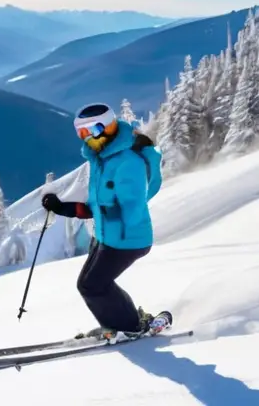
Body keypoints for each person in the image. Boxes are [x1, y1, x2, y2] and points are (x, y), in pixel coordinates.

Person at [41, 102, 171, 343]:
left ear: (108, 127)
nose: (89, 138)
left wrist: (109, 217)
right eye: (82, 133)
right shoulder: (104, 159)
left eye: (94, 130)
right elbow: (99, 205)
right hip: (105, 235)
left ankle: (129, 326)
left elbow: (133, 206)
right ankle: (119, 323)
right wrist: (63, 208)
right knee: (90, 284)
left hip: (126, 239)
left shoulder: (127, 162)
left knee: (92, 286)